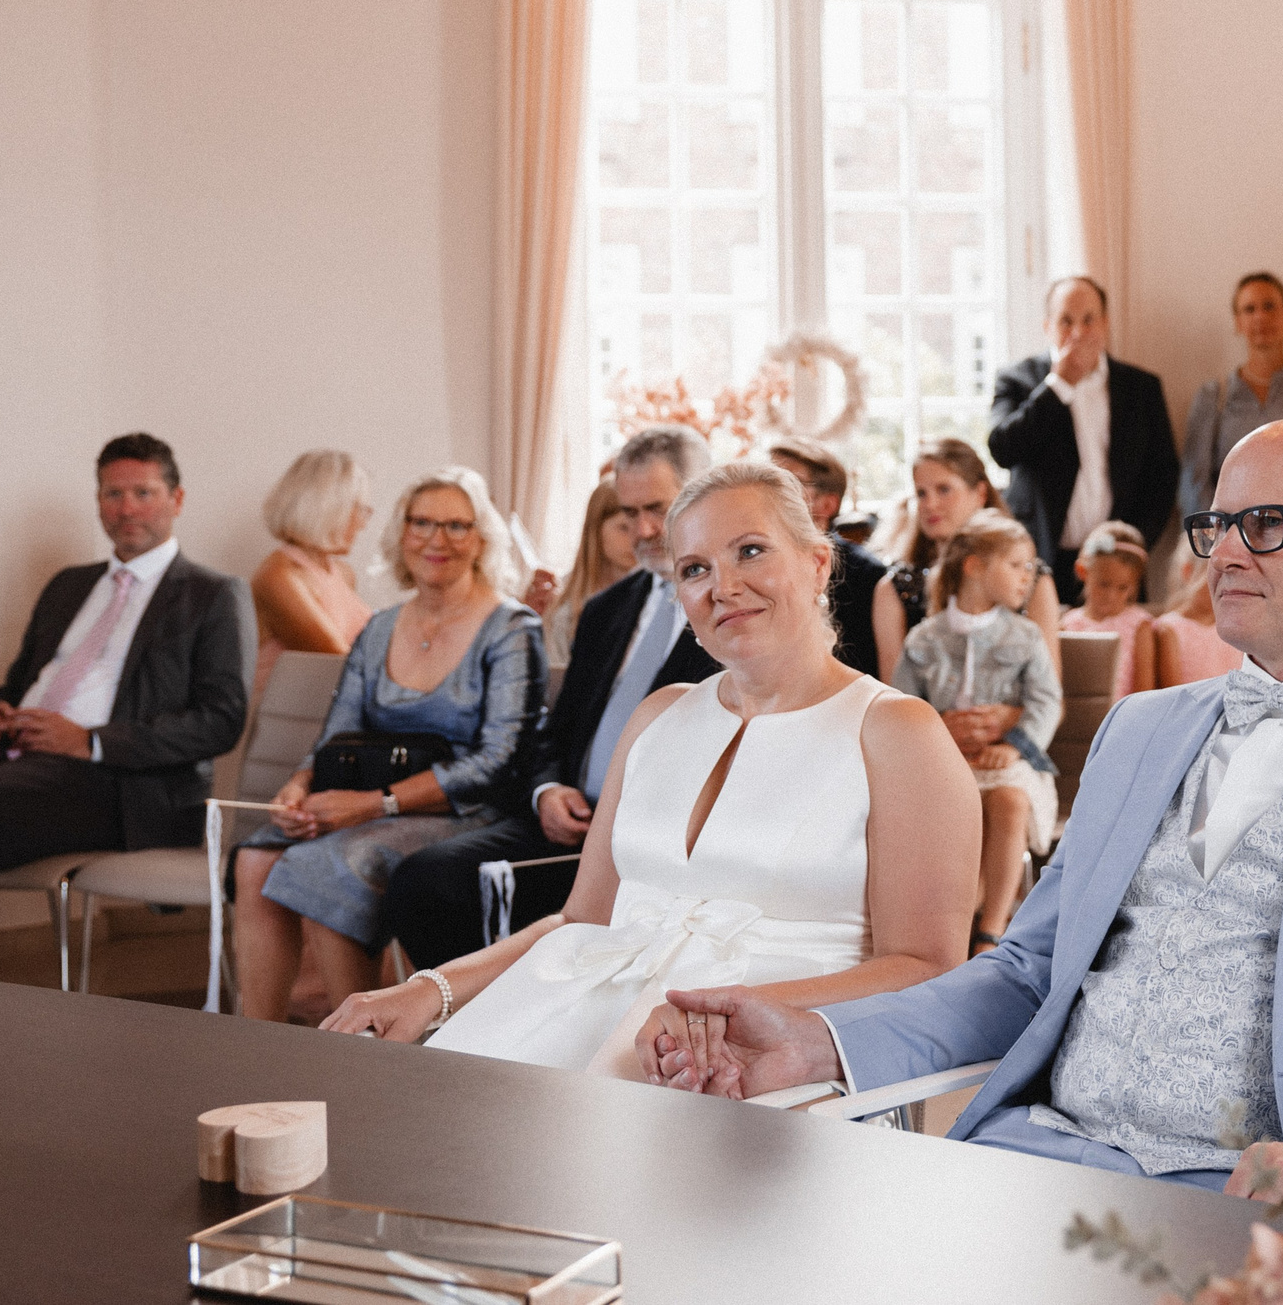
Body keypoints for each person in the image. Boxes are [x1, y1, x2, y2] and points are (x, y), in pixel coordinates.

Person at [645, 419, 1283, 1198]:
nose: (1224, 550)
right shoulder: (1141, 729)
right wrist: (823, 1040)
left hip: (1262, 1194)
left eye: (1264, 523)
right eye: (1214, 524)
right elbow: (1025, 972)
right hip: (1037, 1157)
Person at [320, 462, 981, 1073]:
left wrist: (731, 1012)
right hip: (582, 1008)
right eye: (693, 568)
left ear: (816, 563)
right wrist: (428, 990)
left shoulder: (896, 731)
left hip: (756, 1061)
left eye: (750, 550)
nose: (723, 586)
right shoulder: (659, 714)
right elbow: (582, 921)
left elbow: (927, 966)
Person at [0, 433, 252, 977]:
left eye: (143, 493)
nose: (126, 508)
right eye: (112, 494)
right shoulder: (69, 585)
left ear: (177, 500)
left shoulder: (212, 594)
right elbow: (21, 684)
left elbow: (220, 721)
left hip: (112, 780)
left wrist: (90, 740)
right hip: (15, 752)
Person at [377, 427, 719, 973]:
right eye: (629, 513)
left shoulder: (729, 606)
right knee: (423, 881)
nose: (643, 530)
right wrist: (546, 789)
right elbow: (556, 732)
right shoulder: (608, 609)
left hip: (654, 834)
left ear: (702, 495)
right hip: (569, 818)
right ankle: (473, 1035)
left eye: (657, 508)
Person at [232, 468, 545, 1021]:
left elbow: (498, 763)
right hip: (374, 805)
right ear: (402, 534)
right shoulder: (379, 628)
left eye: (456, 525)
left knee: (333, 861)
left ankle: (360, 1038)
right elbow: (337, 738)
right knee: (257, 857)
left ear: (481, 539)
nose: (436, 539)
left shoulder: (511, 628)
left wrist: (376, 803)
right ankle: (255, 1037)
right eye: (421, 523)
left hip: (468, 810)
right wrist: (300, 785)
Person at [893, 510, 1063, 950]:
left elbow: (1047, 701)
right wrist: (938, 733)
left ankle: (991, 929)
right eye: (1016, 565)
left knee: (1007, 800)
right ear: (974, 567)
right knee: (953, 806)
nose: (1028, 577)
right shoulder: (924, 640)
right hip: (945, 765)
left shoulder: (1025, 636)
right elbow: (900, 708)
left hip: (1009, 761)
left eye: (1030, 567)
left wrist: (1015, 746)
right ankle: (950, 924)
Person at [990, 276, 1180, 608]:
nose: (1078, 332)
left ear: (1105, 324)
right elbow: (1002, 449)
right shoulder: (1017, 380)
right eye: (1066, 321)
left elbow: (1162, 477)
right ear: (1048, 326)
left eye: (1088, 319)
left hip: (1116, 568)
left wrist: (1132, 547)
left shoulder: (1141, 387)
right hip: (1039, 562)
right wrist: (1058, 386)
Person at [870, 438, 1060, 681]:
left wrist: (1000, 717)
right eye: (921, 493)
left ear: (980, 493)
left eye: (944, 489)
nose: (930, 504)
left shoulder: (1032, 579)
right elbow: (894, 695)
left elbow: (1049, 695)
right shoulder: (893, 588)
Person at [1177, 272, 1283, 518]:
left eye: (1269, 306)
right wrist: (1216, 535)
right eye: (1249, 309)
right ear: (1237, 322)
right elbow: (1194, 480)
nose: (1260, 317)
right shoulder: (1212, 397)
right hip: (1229, 534)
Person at [249, 449, 376, 708]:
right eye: (359, 510)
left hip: (330, 717)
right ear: (330, 508)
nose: (362, 523)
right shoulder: (278, 576)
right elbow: (341, 665)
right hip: (285, 726)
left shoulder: (341, 573)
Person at [767, 437, 884, 679]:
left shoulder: (867, 575)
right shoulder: (758, 563)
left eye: (789, 484)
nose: (770, 494)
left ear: (827, 504)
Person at [539, 480, 636, 672]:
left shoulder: (655, 594)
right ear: (596, 528)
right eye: (624, 528)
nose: (636, 537)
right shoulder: (564, 607)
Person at [1060, 522, 1156, 698]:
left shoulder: (1139, 624)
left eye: (1122, 587)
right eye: (1104, 584)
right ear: (1082, 571)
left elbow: (1144, 692)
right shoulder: (1066, 624)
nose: (1111, 595)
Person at [1150, 556, 1244, 686]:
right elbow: (1174, 691)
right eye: (1216, 577)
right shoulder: (1168, 628)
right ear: (1188, 571)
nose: (1223, 587)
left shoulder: (1235, 628)